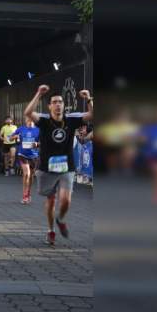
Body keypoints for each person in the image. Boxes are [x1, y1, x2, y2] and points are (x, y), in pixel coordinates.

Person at [24, 85, 93, 246]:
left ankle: (60, 219)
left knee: (66, 200)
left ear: (64, 105)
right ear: (49, 106)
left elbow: (92, 115)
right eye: (54, 102)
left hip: (66, 166)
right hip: (47, 168)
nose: (58, 104)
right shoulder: (44, 120)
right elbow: (28, 113)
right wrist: (38, 93)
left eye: (60, 102)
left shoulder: (72, 119)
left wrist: (88, 98)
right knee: (51, 200)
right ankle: (50, 230)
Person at [11, 116, 40, 204]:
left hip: (33, 156)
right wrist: (15, 136)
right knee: (26, 174)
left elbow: (43, 142)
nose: (30, 120)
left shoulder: (38, 130)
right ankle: (24, 194)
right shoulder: (21, 129)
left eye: (31, 119)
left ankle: (28, 193)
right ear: (25, 120)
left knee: (31, 176)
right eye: (28, 119)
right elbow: (10, 138)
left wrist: (37, 144)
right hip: (22, 154)